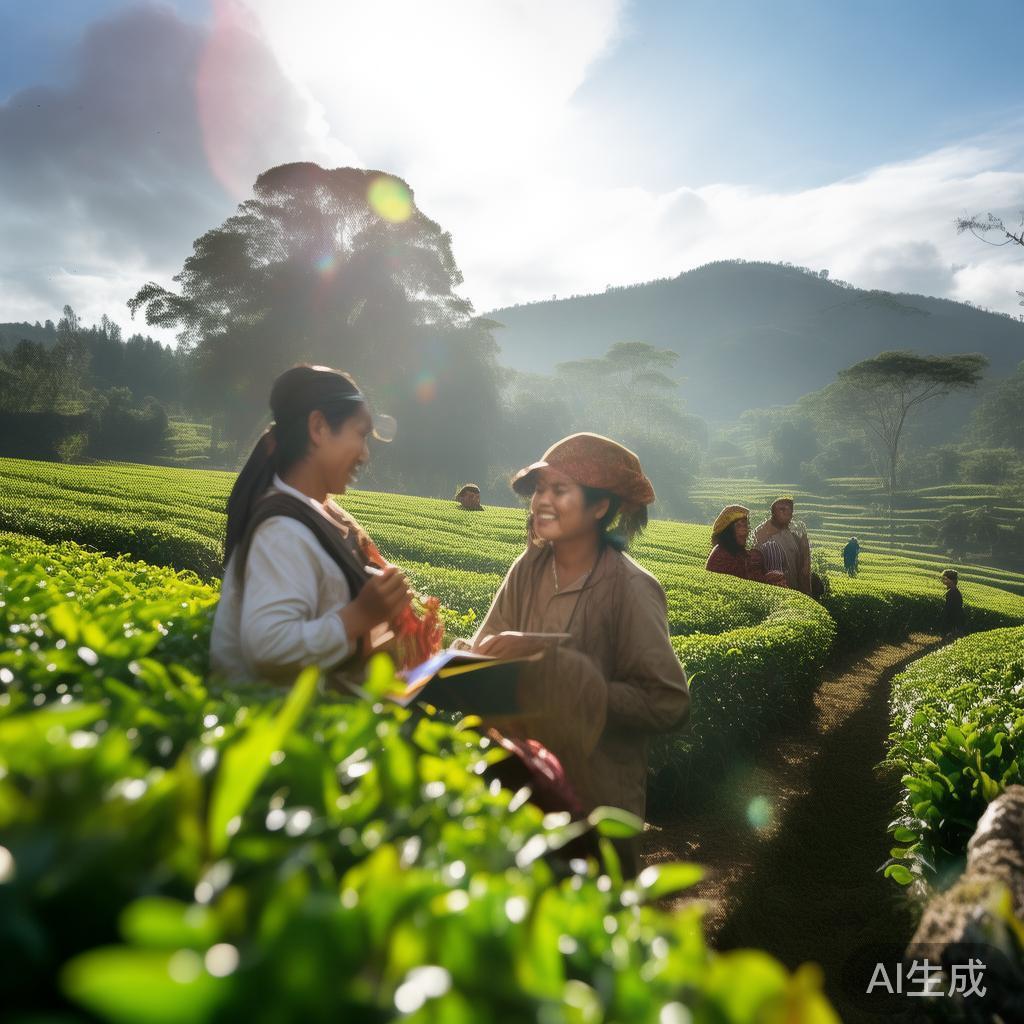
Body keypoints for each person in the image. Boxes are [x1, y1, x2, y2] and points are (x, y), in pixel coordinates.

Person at [460, 432, 690, 875]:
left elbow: (670, 703)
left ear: (599, 507)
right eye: (539, 489)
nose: (541, 501)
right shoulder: (526, 569)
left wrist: (575, 677)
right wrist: (460, 661)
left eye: (559, 490)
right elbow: (484, 647)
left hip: (594, 801)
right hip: (515, 789)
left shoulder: (631, 589)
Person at [211, 364, 412, 684]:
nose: (364, 455)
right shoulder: (282, 531)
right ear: (318, 427)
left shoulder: (311, 515)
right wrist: (361, 615)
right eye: (360, 435)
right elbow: (269, 648)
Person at [706, 505, 787, 586]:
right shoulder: (721, 556)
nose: (745, 530)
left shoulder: (740, 552)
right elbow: (742, 584)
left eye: (745, 525)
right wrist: (768, 579)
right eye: (739, 526)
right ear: (728, 532)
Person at [754, 496, 812, 594]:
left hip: (795, 587)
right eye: (782, 509)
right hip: (772, 589)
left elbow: (805, 566)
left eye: (790, 509)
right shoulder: (761, 532)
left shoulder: (797, 530)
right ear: (773, 512)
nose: (787, 512)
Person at [940, 569, 965, 640]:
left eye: (945, 578)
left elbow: (952, 609)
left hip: (954, 619)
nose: (943, 580)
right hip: (954, 618)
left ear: (951, 580)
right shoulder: (951, 590)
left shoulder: (952, 592)